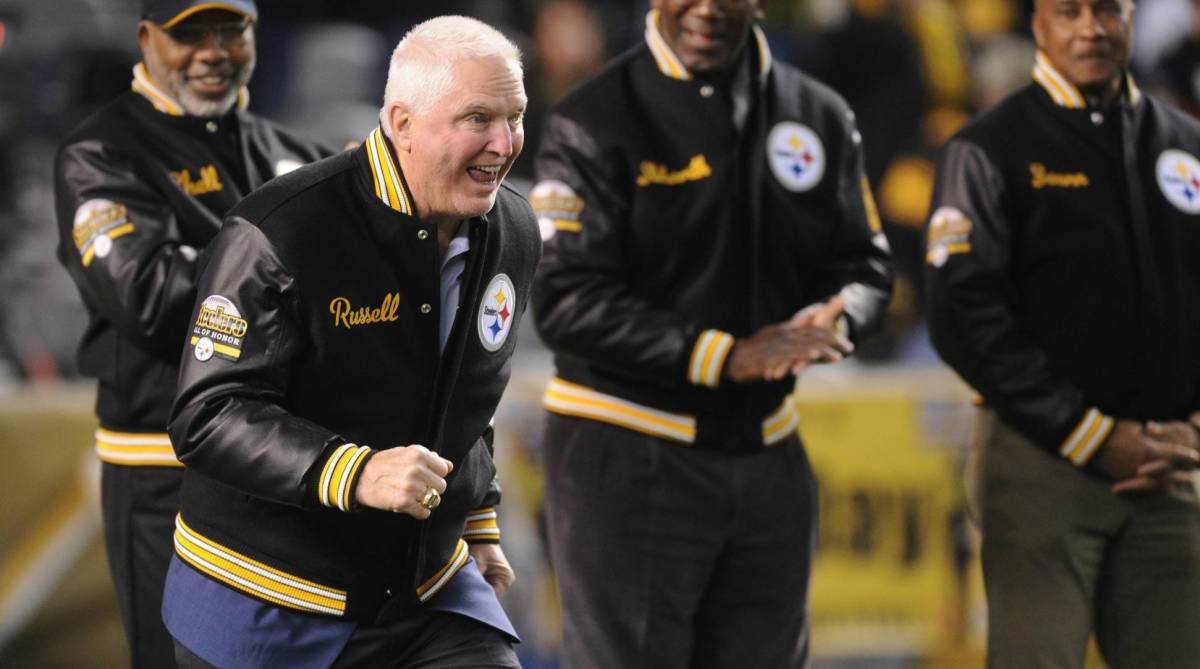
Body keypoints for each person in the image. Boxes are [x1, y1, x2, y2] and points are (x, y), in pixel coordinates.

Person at [165, 15, 538, 668]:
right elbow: (207, 413)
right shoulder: (278, 230)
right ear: (401, 123)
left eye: (516, 116)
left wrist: (475, 518)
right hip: (264, 593)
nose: (504, 144)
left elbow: (468, 392)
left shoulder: (512, 227)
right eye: (478, 118)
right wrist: (355, 470)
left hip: (428, 588)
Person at [530, 1, 893, 666]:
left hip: (769, 455)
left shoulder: (819, 114)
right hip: (627, 450)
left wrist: (841, 313)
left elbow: (866, 264)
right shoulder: (593, 117)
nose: (703, 6)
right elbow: (564, 299)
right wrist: (721, 356)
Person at [52, 1, 330, 665]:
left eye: (229, 30)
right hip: (164, 467)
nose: (213, 51)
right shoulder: (99, 153)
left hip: (285, 463)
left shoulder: (290, 149)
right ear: (147, 38)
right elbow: (150, 299)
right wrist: (295, 262)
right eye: (189, 33)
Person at [924, 0, 1200, 666]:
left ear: (1132, 16)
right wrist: (1090, 433)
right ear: (1037, 23)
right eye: (1068, 11)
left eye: (1107, 10)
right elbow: (962, 315)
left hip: (1169, 469)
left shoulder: (1186, 146)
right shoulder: (989, 147)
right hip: (1043, 466)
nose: (1090, 29)